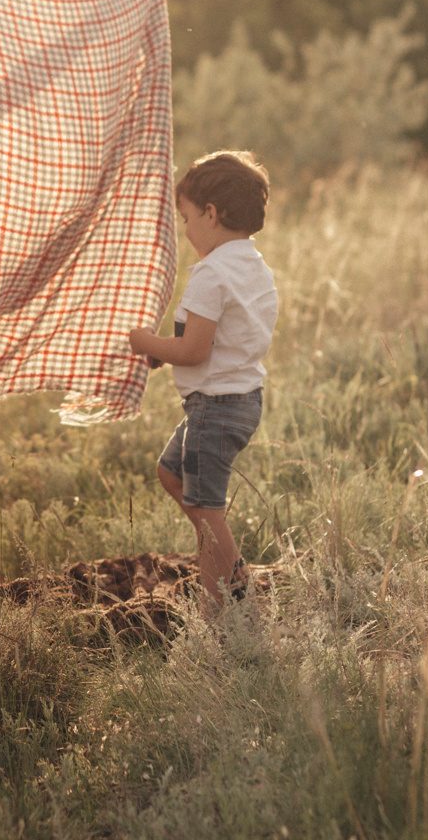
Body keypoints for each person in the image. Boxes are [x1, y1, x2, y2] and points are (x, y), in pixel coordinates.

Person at [129, 150, 277, 613]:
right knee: (170, 472)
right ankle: (221, 556)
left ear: (211, 214)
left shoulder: (210, 273)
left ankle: (223, 609)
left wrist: (144, 341)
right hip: (240, 400)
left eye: (188, 218)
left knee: (208, 512)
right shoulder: (252, 265)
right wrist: (162, 352)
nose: (186, 229)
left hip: (214, 408)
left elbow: (194, 350)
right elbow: (210, 342)